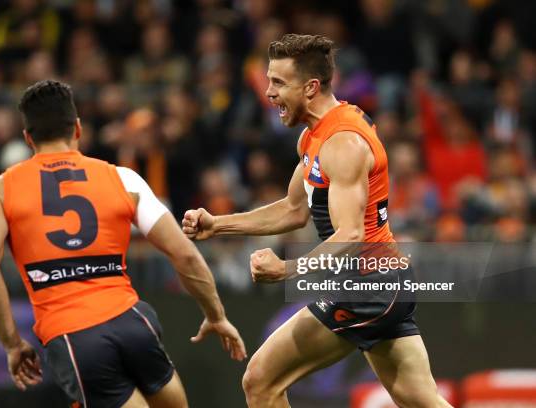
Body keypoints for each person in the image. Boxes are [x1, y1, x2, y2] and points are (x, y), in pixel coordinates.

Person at [182, 34, 452, 407]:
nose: (269, 93)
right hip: (381, 283)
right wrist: (218, 225)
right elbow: (294, 209)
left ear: (310, 87)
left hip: (367, 286)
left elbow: (352, 234)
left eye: (278, 83)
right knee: (419, 399)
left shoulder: (342, 143)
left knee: (260, 381)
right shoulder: (314, 135)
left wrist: (289, 269)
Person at [0, 80, 246, 408]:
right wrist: (216, 315)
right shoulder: (122, 178)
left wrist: (12, 344)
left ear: (28, 137)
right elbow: (184, 253)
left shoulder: (1, 189)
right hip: (133, 322)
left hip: (75, 337)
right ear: (77, 128)